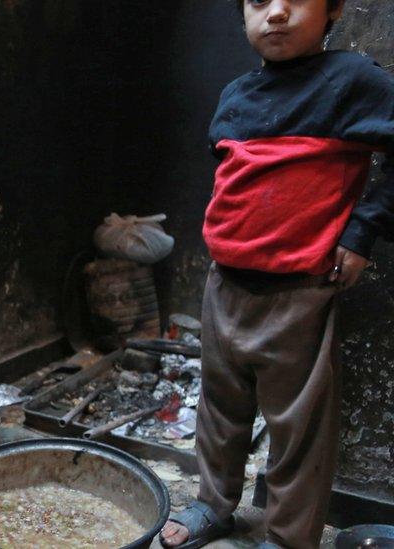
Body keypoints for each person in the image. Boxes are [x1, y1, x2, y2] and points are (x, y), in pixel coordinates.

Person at [160, 1, 394, 548]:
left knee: (298, 428)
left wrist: (361, 234)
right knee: (220, 409)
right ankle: (214, 506)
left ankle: (288, 538)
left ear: (334, 8)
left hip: (300, 288)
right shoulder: (236, 95)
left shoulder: (352, 81)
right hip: (225, 281)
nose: (278, 13)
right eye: (259, 1)